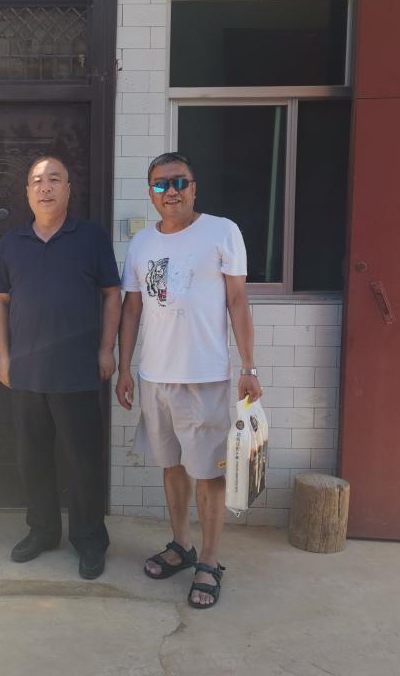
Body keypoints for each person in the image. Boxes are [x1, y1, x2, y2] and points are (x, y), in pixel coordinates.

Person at [116, 151, 262, 609]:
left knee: (209, 474)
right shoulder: (141, 244)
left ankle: (210, 561)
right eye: (161, 184)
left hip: (204, 377)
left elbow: (237, 301)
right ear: (151, 193)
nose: (171, 191)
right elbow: (132, 310)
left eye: (179, 182)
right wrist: (124, 368)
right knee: (172, 466)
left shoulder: (222, 231)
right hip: (155, 377)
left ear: (194, 188)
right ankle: (182, 544)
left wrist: (249, 367)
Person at [0, 156, 121, 580]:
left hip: (78, 371)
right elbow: (0, 301)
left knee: (84, 461)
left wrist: (107, 349)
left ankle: (89, 538)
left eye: (53, 180)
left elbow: (112, 294)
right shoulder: (11, 242)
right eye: (36, 181)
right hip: (26, 373)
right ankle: (43, 531)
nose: (44, 187)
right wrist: (4, 355)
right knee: (32, 458)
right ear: (27, 193)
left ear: (68, 189)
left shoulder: (91, 238)